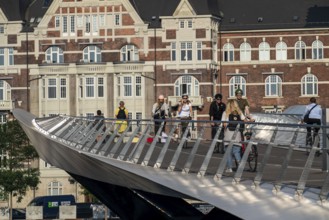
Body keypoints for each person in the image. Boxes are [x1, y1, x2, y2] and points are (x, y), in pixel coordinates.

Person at [221, 99, 247, 173]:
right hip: (237, 133)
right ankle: (240, 165)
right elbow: (245, 120)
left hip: (228, 134)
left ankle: (229, 168)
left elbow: (224, 124)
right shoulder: (239, 113)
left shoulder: (225, 113)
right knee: (236, 151)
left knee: (228, 152)